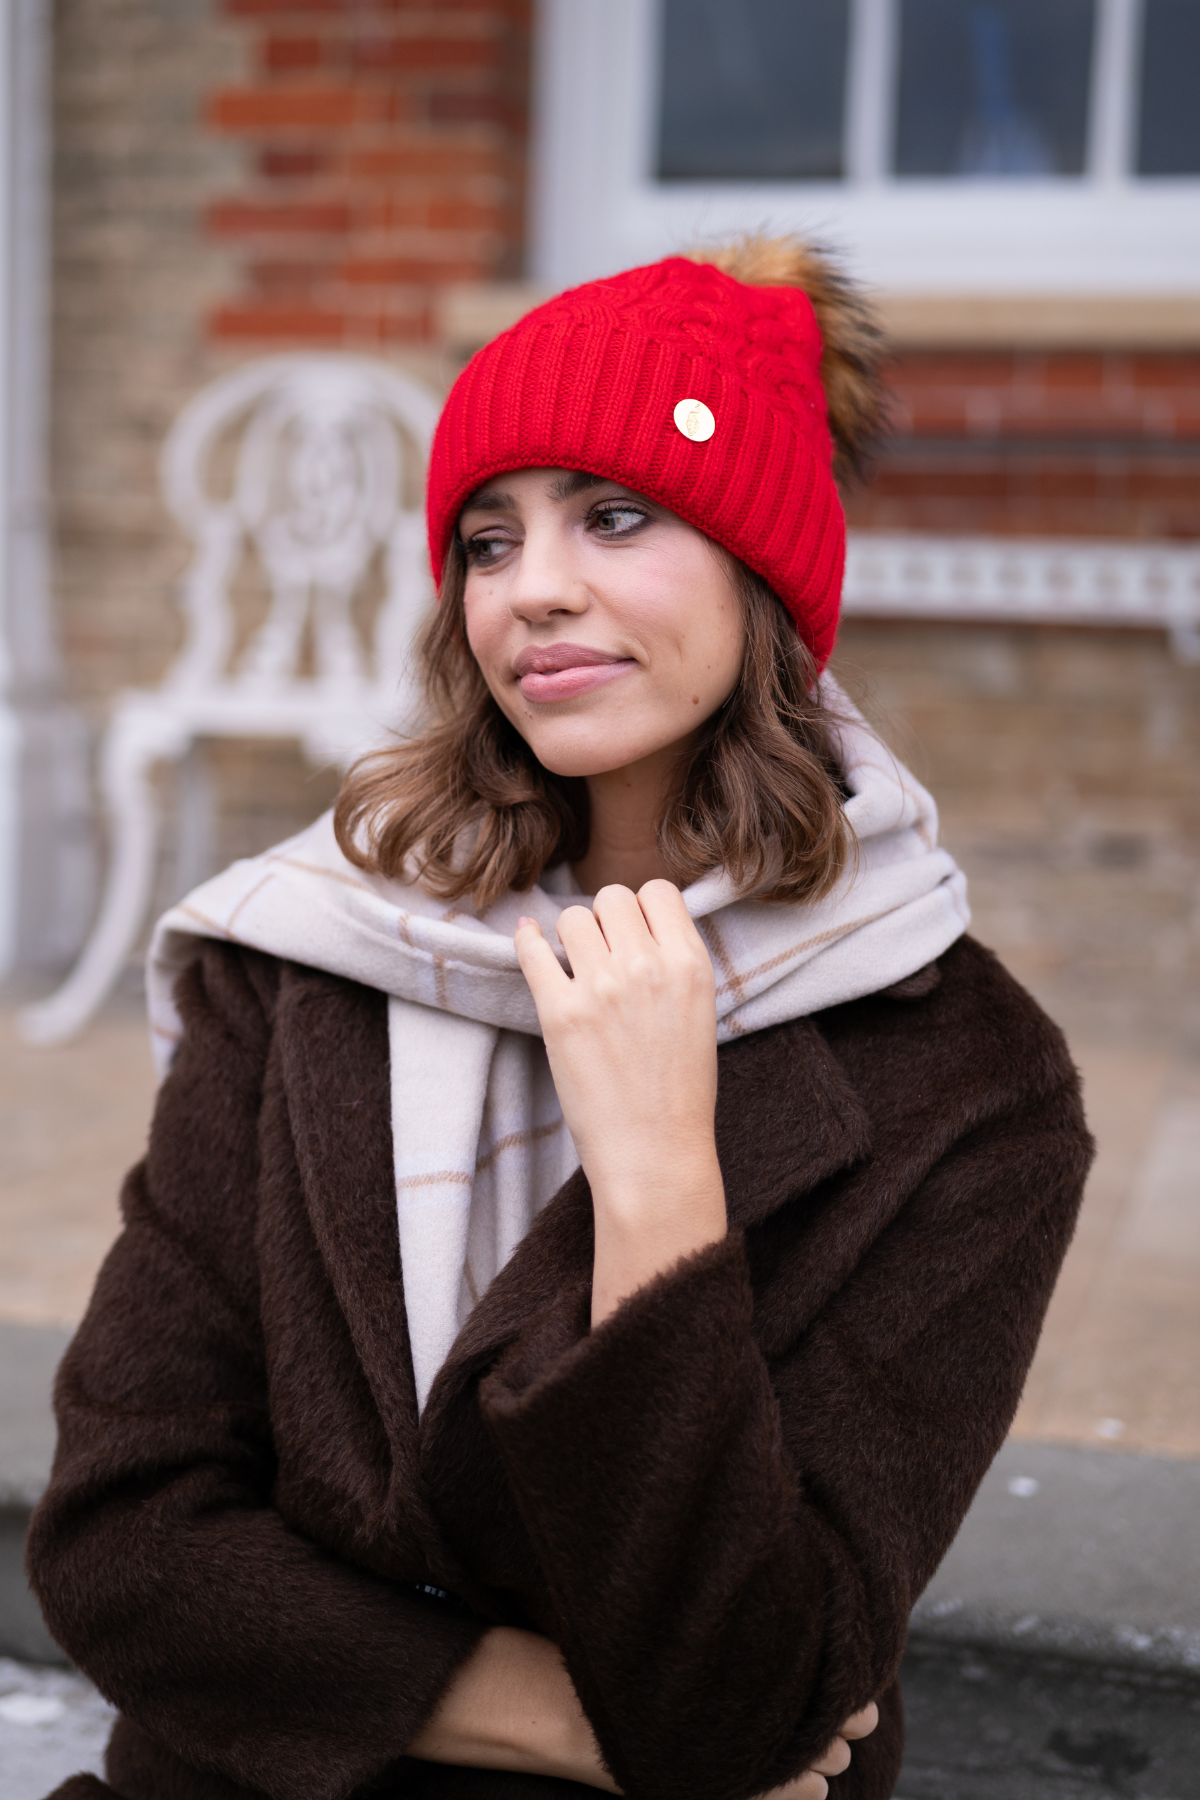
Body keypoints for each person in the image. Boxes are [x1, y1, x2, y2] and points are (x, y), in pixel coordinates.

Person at [28, 239, 1092, 1800]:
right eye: (486, 537)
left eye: (617, 515)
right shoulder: (313, 951)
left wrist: (661, 1180)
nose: (534, 587)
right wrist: (557, 1716)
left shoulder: (966, 1080)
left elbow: (754, 1693)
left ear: (763, 570)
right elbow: (121, 1543)